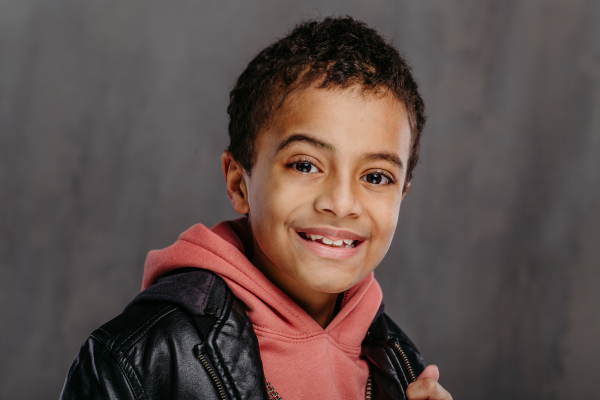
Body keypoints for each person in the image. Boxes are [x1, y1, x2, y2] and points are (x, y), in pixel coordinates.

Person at [60, 16, 452, 400]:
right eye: (304, 165)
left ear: (401, 195)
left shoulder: (401, 365)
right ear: (238, 183)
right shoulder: (138, 360)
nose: (342, 203)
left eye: (377, 177)